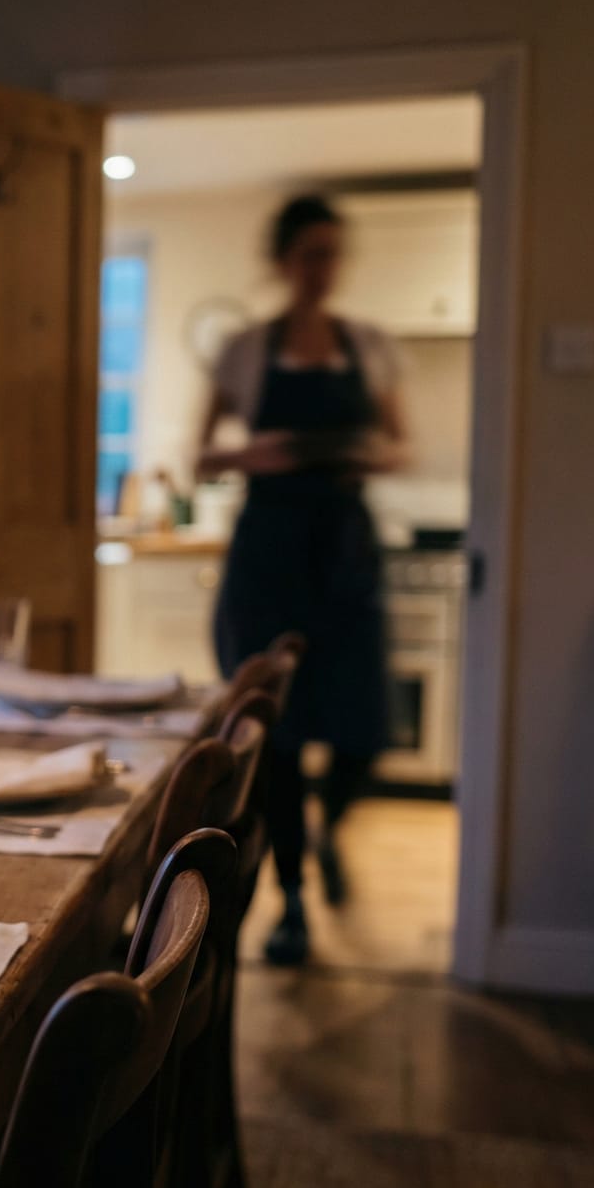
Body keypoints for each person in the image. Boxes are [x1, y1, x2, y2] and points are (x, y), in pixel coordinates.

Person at [195, 194, 408, 966]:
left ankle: (325, 828)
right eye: (311, 253)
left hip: (346, 550)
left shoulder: (370, 345)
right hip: (269, 552)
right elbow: (203, 456)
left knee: (365, 731)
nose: (324, 268)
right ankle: (290, 905)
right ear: (284, 260)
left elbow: (400, 448)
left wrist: (354, 453)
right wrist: (267, 452)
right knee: (276, 737)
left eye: (333, 253)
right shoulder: (247, 350)